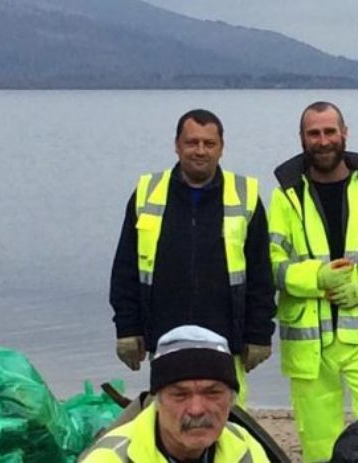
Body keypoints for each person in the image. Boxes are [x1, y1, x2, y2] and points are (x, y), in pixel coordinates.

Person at [268, 101, 358, 462]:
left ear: (344, 133)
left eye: (330, 131)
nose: (323, 140)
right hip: (311, 345)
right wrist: (316, 276)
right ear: (302, 139)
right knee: (318, 447)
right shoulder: (286, 195)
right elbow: (272, 264)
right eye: (314, 133)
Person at [110, 109, 276, 405]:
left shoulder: (246, 196)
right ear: (177, 145)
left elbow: (261, 275)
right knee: (171, 421)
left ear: (221, 148)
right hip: (165, 337)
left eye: (209, 144)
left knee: (230, 423)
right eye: (192, 142)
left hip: (226, 341)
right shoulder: (148, 192)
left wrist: (260, 334)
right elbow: (125, 269)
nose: (200, 151)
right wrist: (127, 329)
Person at [80, 326, 275, 463]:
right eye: (180, 395)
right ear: (156, 400)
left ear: (231, 398)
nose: (197, 409)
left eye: (213, 393)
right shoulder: (108, 458)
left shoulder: (244, 445)